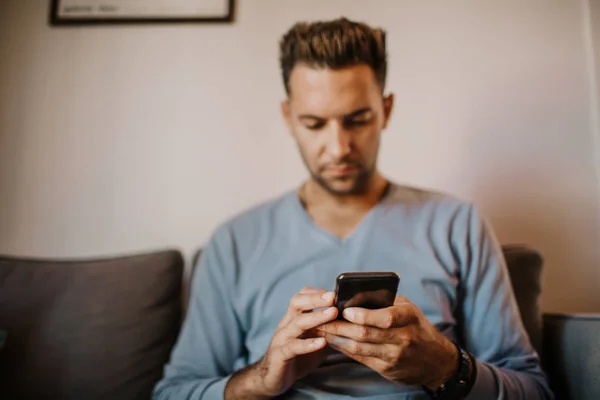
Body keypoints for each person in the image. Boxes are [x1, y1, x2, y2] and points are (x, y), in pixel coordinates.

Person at [153, 17, 554, 399]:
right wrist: (262, 379)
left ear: (386, 110)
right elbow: (172, 393)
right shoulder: (234, 242)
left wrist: (445, 368)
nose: (339, 147)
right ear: (288, 118)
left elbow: (535, 391)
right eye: (314, 124)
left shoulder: (457, 224)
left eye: (357, 119)